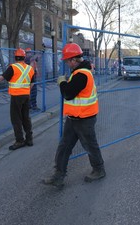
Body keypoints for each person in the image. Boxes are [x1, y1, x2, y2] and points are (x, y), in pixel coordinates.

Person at [43, 43, 105, 188]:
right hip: (74, 117)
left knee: (90, 145)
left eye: (67, 61)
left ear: (73, 60)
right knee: (64, 147)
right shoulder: (79, 72)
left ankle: (99, 169)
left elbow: (68, 94)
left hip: (84, 118)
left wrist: (62, 82)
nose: (67, 64)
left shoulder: (82, 74)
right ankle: (58, 175)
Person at [0, 48, 35, 150]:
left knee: (16, 119)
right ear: (24, 57)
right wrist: (25, 91)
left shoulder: (13, 67)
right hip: (26, 96)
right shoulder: (30, 68)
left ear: (15, 57)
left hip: (16, 97)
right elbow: (32, 83)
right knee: (26, 118)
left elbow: (1, 79)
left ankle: (19, 141)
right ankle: (29, 139)